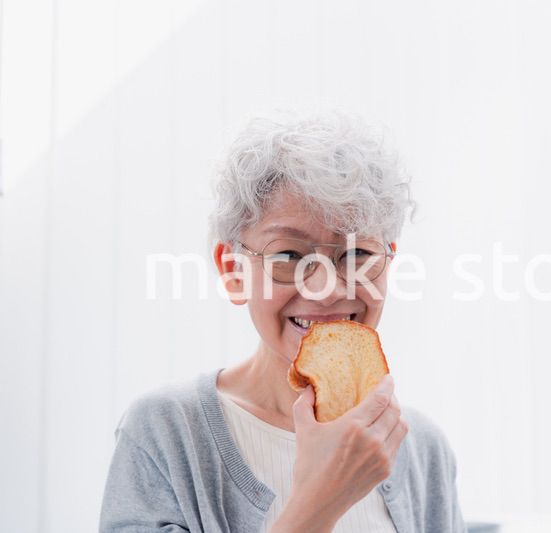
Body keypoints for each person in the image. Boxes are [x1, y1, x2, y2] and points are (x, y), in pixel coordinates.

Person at [99, 111, 467, 532]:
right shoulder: (165, 433)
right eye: (289, 255)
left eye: (357, 254)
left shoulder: (422, 449)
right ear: (233, 270)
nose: (326, 289)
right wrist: (319, 501)